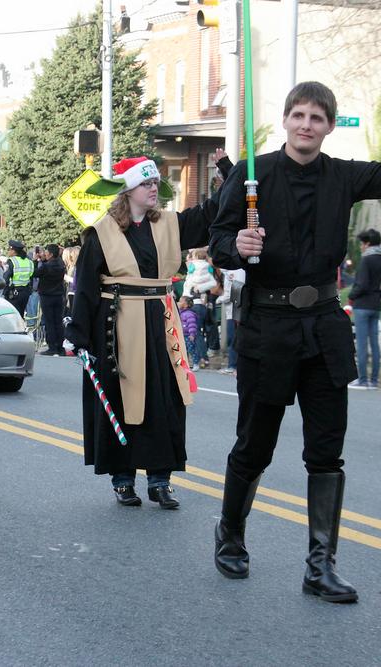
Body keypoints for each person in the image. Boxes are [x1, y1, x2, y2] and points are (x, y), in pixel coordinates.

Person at [208, 78, 381, 601]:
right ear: (286, 120)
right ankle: (230, 534)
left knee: (326, 452)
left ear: (328, 126)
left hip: (322, 326)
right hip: (267, 327)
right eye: (299, 115)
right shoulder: (254, 176)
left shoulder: (341, 176)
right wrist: (237, 244)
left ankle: (321, 564)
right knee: (255, 444)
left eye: (317, 118)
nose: (306, 125)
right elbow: (219, 241)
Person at [65, 156, 223, 509]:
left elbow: (211, 213)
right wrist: (78, 335)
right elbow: (87, 286)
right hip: (116, 326)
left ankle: (160, 480)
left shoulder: (170, 224)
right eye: (146, 184)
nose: (154, 189)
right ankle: (122, 479)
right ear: (127, 190)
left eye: (155, 184)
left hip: (162, 322)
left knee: (165, 399)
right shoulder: (101, 231)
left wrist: (225, 172)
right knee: (121, 400)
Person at [347, 229, 381, 389]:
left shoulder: (366, 260)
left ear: (367, 243)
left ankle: (362, 379)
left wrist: (351, 295)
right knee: (374, 344)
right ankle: (374, 380)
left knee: (361, 344)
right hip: (375, 305)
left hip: (362, 305)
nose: (361, 247)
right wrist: (378, 295)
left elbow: (362, 284)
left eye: (362, 243)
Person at [34, 243, 66, 356]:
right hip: (58, 295)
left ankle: (52, 347)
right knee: (58, 321)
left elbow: (35, 273)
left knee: (49, 322)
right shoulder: (61, 264)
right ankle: (60, 347)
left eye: (46, 252)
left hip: (47, 296)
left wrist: (36, 261)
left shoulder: (47, 266)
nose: (44, 253)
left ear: (51, 254)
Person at [218, 267, 246, 375]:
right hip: (232, 310)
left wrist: (222, 298)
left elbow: (238, 289)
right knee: (232, 338)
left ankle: (235, 365)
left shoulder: (237, 271)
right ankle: (233, 364)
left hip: (236, 309)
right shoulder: (229, 271)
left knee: (234, 338)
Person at [2, 240, 34, 316]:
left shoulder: (12, 261)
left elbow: (6, 277)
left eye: (9, 250)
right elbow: (31, 275)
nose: (8, 251)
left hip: (14, 293)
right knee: (21, 314)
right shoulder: (29, 261)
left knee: (14, 316)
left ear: (14, 251)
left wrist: (5, 292)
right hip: (25, 292)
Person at [178, 296, 201, 370]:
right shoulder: (180, 313)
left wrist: (192, 334)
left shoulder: (189, 314)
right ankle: (186, 364)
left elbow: (192, 325)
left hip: (188, 335)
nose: (179, 303)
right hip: (182, 335)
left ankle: (196, 363)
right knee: (184, 351)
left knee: (191, 350)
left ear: (186, 305)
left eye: (181, 301)